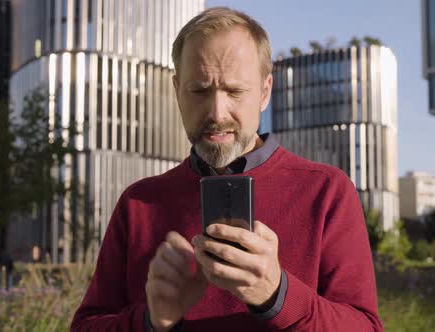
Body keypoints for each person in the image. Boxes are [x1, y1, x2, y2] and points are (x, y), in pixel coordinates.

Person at [71, 7, 383, 332]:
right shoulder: (139, 203)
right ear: (177, 90)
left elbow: (365, 326)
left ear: (265, 92)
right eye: (199, 91)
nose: (217, 112)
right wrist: (152, 321)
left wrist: (277, 295)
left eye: (234, 91)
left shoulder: (327, 191)